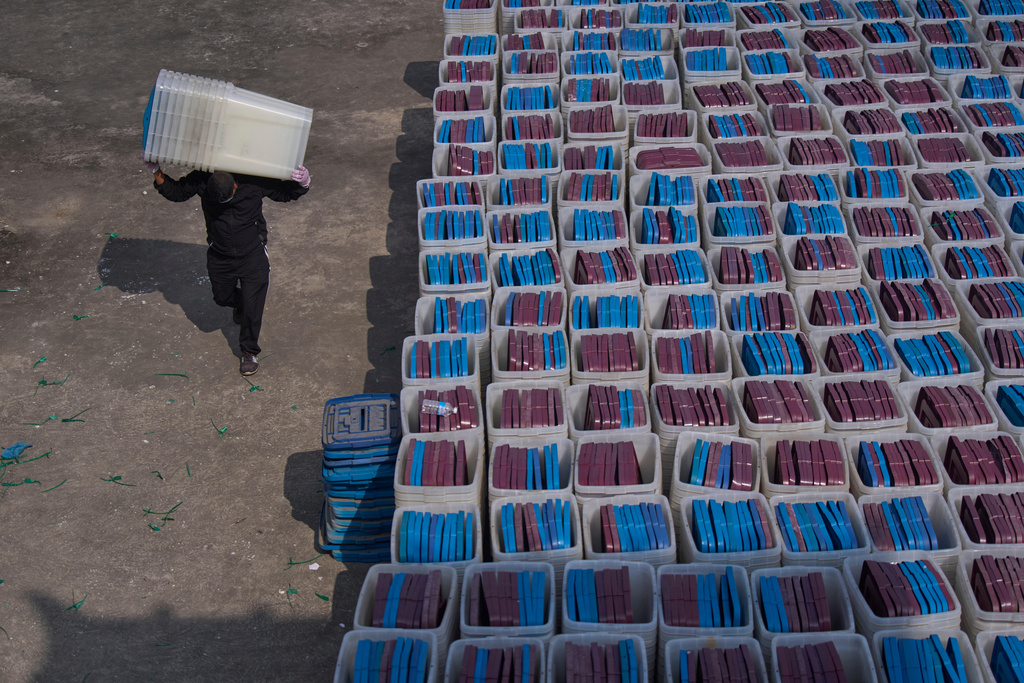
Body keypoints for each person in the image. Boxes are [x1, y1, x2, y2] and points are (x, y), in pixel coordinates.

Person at [142, 157, 310, 376]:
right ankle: (241, 303)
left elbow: (286, 193)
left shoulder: (254, 180)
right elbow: (178, 193)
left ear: (235, 186)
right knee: (221, 297)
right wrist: (156, 171)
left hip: (252, 255)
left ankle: (249, 351)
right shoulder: (202, 179)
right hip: (220, 255)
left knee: (253, 308)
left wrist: (303, 182)